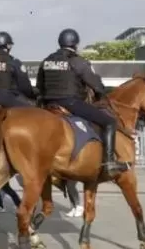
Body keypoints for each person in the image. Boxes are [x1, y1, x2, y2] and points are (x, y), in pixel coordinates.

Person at [36, 28, 125, 176]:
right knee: (110, 122)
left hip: (48, 104)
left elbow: (39, 86)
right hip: (70, 102)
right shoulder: (77, 61)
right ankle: (109, 163)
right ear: (75, 44)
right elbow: (95, 83)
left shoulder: (46, 61)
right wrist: (101, 93)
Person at [0, 31, 36, 108]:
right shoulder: (13, 62)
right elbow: (24, 85)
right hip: (5, 98)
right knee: (32, 110)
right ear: (8, 46)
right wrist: (31, 95)